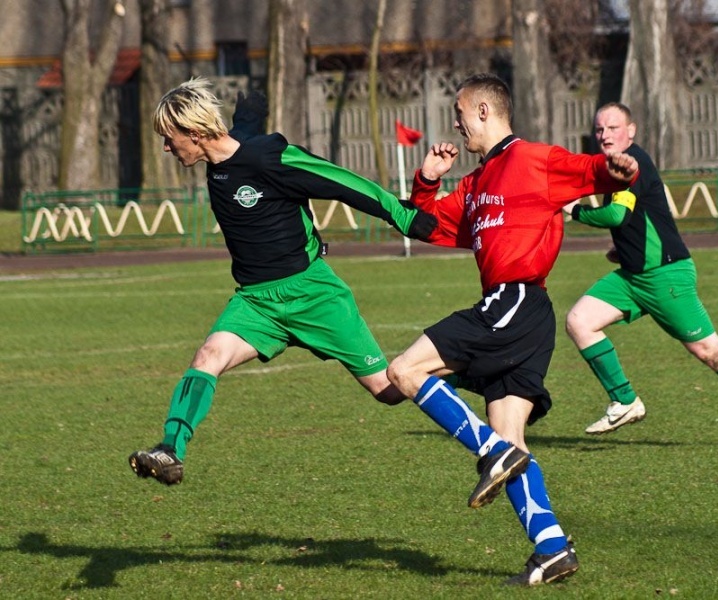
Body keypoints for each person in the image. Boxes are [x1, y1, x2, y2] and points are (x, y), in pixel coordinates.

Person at [386, 73, 639, 586]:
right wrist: (428, 181)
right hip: (522, 314)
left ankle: (491, 453)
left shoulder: (532, 159)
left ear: (484, 111)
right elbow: (426, 225)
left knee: (404, 369)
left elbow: (592, 170)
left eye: (460, 114)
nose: (455, 126)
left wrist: (617, 169)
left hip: (517, 301)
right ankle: (551, 548)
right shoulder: (477, 182)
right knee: (512, 438)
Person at [129, 78, 436, 485]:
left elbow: (342, 182)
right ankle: (170, 450)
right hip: (256, 303)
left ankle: (462, 365)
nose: (167, 148)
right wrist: (251, 104)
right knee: (207, 357)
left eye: (169, 138)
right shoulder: (221, 159)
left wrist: (404, 216)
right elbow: (244, 128)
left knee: (389, 388)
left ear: (195, 133)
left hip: (312, 293)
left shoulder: (270, 158)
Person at [564, 102, 718, 448]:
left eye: (612, 128)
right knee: (579, 321)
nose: (605, 135)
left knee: (708, 350)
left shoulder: (633, 164)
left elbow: (614, 217)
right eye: (599, 130)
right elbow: (635, 220)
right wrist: (624, 250)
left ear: (632, 130)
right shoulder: (615, 167)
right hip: (633, 276)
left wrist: (574, 211)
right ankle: (625, 401)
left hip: (666, 276)